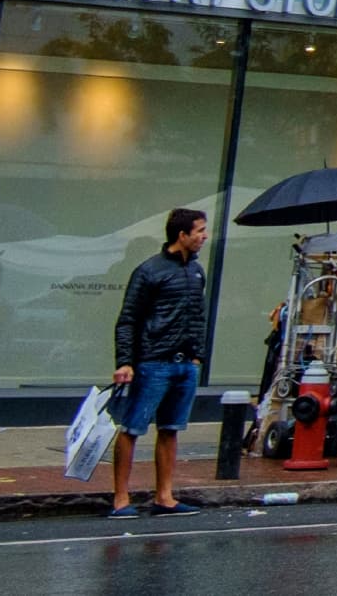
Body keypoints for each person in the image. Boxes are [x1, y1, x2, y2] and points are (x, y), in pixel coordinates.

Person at [109, 207, 210, 520]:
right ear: (182, 235)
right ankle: (120, 499)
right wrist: (126, 362)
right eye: (199, 231)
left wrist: (197, 355)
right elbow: (128, 319)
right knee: (132, 428)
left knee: (171, 429)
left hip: (185, 364)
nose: (204, 237)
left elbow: (198, 316)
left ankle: (164, 496)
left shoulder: (197, 271)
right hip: (153, 363)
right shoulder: (149, 271)